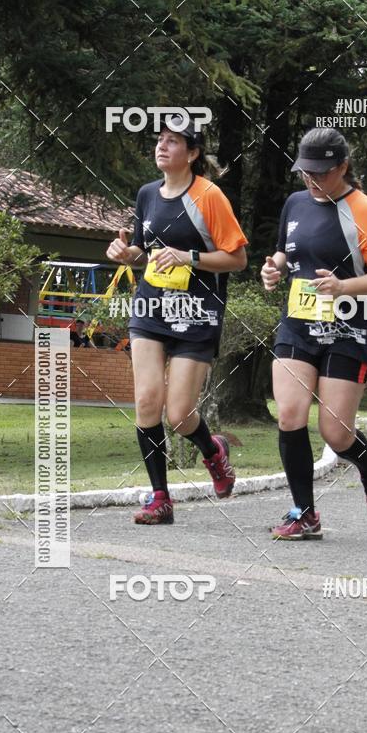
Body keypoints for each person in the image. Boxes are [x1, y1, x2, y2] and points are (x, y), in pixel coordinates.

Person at [106, 116, 248, 524]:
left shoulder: (209, 196)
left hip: (197, 313)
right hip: (150, 309)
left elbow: (237, 258)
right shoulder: (147, 194)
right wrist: (124, 253)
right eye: (160, 140)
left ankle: (213, 451)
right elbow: (143, 251)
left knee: (179, 413)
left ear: (193, 153)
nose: (162, 147)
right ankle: (160, 498)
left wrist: (190, 257)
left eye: (173, 142)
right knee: (147, 402)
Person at [261, 127, 367, 540]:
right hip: (299, 324)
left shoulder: (364, 210)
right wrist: (274, 269)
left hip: (349, 330)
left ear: (343, 166)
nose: (311, 179)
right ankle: (304, 513)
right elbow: (288, 253)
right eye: (306, 170)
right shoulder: (295, 203)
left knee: (336, 433)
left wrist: (344, 287)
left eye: (321, 171)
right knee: (289, 414)